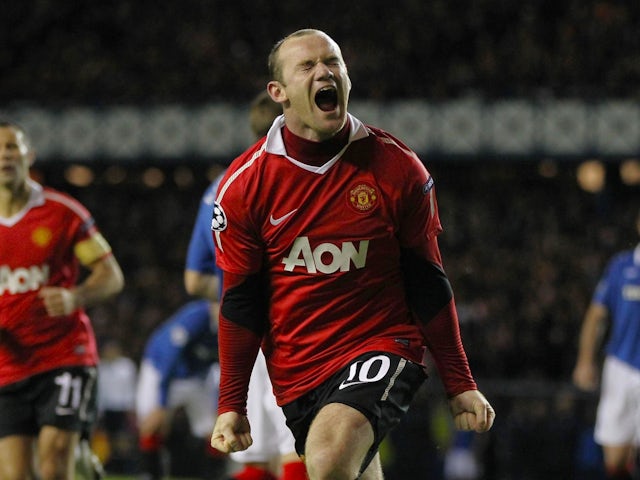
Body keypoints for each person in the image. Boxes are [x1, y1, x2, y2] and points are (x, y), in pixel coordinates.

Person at [209, 29, 495, 480]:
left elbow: (427, 280)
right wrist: (231, 405)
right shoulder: (244, 186)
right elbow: (241, 302)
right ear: (278, 93)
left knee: (329, 458)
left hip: (381, 341)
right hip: (297, 365)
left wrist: (460, 383)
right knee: (352, 469)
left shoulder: (397, 167)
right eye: (307, 66)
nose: (324, 72)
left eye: (333, 63)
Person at [185, 90, 307, 480]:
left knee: (255, 452)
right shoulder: (300, 177)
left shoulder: (220, 186)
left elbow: (193, 280)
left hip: (243, 335)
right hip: (298, 328)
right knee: (300, 447)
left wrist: (234, 292)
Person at [0, 120, 125, 480]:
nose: (6, 155)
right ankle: (84, 461)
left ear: (29, 156)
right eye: (0, 148)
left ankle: (77, 457)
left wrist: (76, 296)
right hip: (8, 365)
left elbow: (111, 275)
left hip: (63, 356)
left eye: (13, 147)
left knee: (53, 465)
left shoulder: (62, 212)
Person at [573, 209, 640, 480]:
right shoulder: (621, 266)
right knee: (616, 457)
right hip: (621, 368)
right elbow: (596, 316)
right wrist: (585, 361)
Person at [136, 299, 226, 480]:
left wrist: (221, 405)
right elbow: (170, 358)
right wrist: (161, 403)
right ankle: (151, 474)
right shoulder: (196, 317)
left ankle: (214, 475)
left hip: (198, 376)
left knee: (218, 430)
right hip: (161, 370)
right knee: (152, 423)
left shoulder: (234, 325)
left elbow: (225, 369)